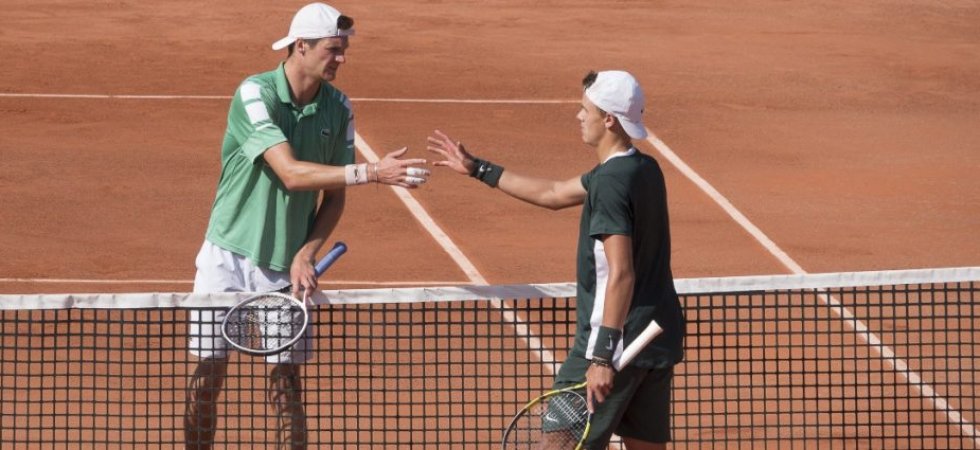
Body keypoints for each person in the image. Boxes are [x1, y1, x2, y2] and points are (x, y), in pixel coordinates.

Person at [183, 3, 429, 449]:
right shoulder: (254, 94)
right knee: (208, 377)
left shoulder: (339, 108)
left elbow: (334, 197)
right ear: (302, 47)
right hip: (227, 256)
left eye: (344, 49)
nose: (342, 58)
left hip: (285, 269)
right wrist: (372, 172)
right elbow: (292, 174)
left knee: (287, 388)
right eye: (334, 50)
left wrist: (305, 253)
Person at [427, 70, 684, 449]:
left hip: (609, 345)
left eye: (586, 110)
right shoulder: (642, 169)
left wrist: (600, 357)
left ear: (609, 120)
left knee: (558, 445)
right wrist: (478, 169)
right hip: (652, 343)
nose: (580, 117)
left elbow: (622, 273)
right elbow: (553, 193)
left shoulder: (612, 183)